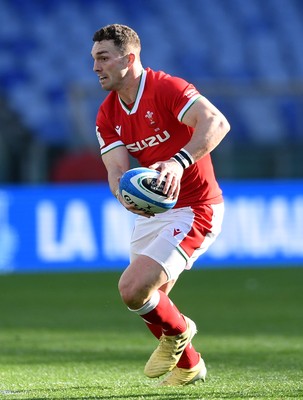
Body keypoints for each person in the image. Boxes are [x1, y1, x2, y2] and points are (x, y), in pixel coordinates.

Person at [92, 24, 230, 386]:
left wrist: (177, 161)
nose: (95, 66)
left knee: (133, 289)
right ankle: (190, 367)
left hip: (196, 207)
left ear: (130, 58)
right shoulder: (107, 114)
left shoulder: (165, 87)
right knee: (149, 302)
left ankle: (182, 329)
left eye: (103, 57)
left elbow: (217, 122)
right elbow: (117, 170)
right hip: (156, 213)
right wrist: (124, 197)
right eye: (94, 59)